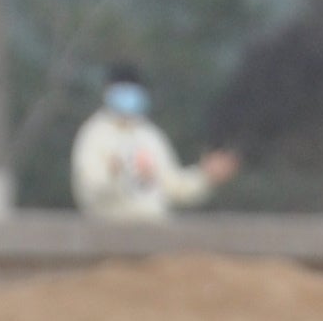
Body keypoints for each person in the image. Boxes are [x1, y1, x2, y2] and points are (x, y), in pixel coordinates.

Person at [68, 65, 239, 221]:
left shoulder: (150, 135)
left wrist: (207, 177)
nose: (128, 95)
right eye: (123, 88)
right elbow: (89, 190)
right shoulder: (94, 134)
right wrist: (112, 174)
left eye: (133, 89)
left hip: (154, 235)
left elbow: (174, 186)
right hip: (108, 234)